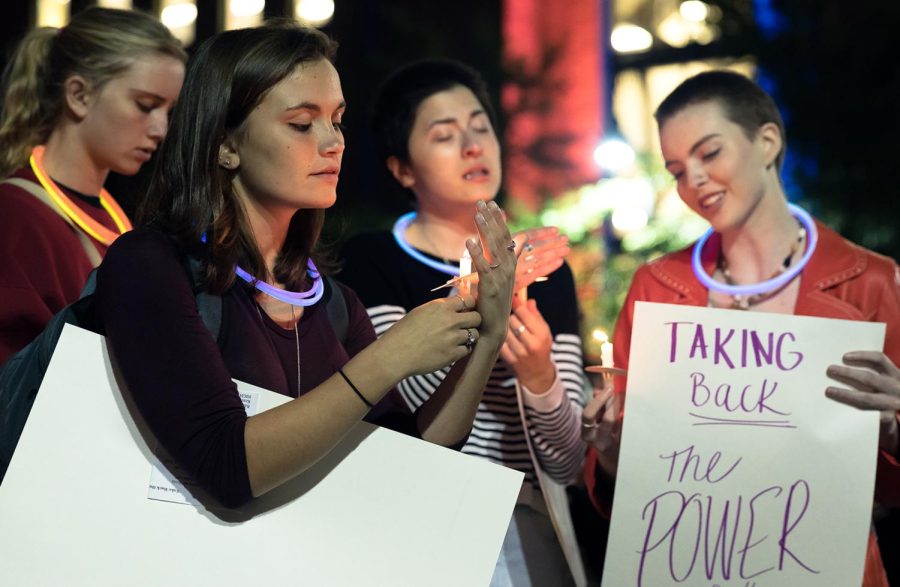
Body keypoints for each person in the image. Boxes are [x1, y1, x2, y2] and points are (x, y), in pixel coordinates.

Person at [94, 23, 518, 510]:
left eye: (337, 120)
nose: (333, 142)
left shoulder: (331, 301)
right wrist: (388, 358)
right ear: (224, 144)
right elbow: (225, 465)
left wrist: (488, 335)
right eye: (301, 123)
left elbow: (411, 459)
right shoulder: (151, 265)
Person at [581, 70, 900, 587]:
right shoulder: (658, 288)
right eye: (677, 170)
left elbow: (889, 487)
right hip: (689, 566)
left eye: (710, 153)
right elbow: (629, 490)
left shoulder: (870, 282)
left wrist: (891, 428)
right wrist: (613, 451)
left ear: (768, 141)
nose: (695, 182)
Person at [339, 59, 587, 586]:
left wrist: (541, 376)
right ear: (403, 169)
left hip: (532, 529)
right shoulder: (374, 261)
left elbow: (568, 462)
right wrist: (481, 291)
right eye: (444, 135)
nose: (473, 145)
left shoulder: (547, 271)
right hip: (432, 524)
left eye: (480, 126)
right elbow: (408, 410)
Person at [0, 7, 186, 364]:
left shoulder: (115, 221)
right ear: (79, 95)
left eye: (168, 110)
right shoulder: (16, 216)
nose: (160, 129)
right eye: (145, 105)